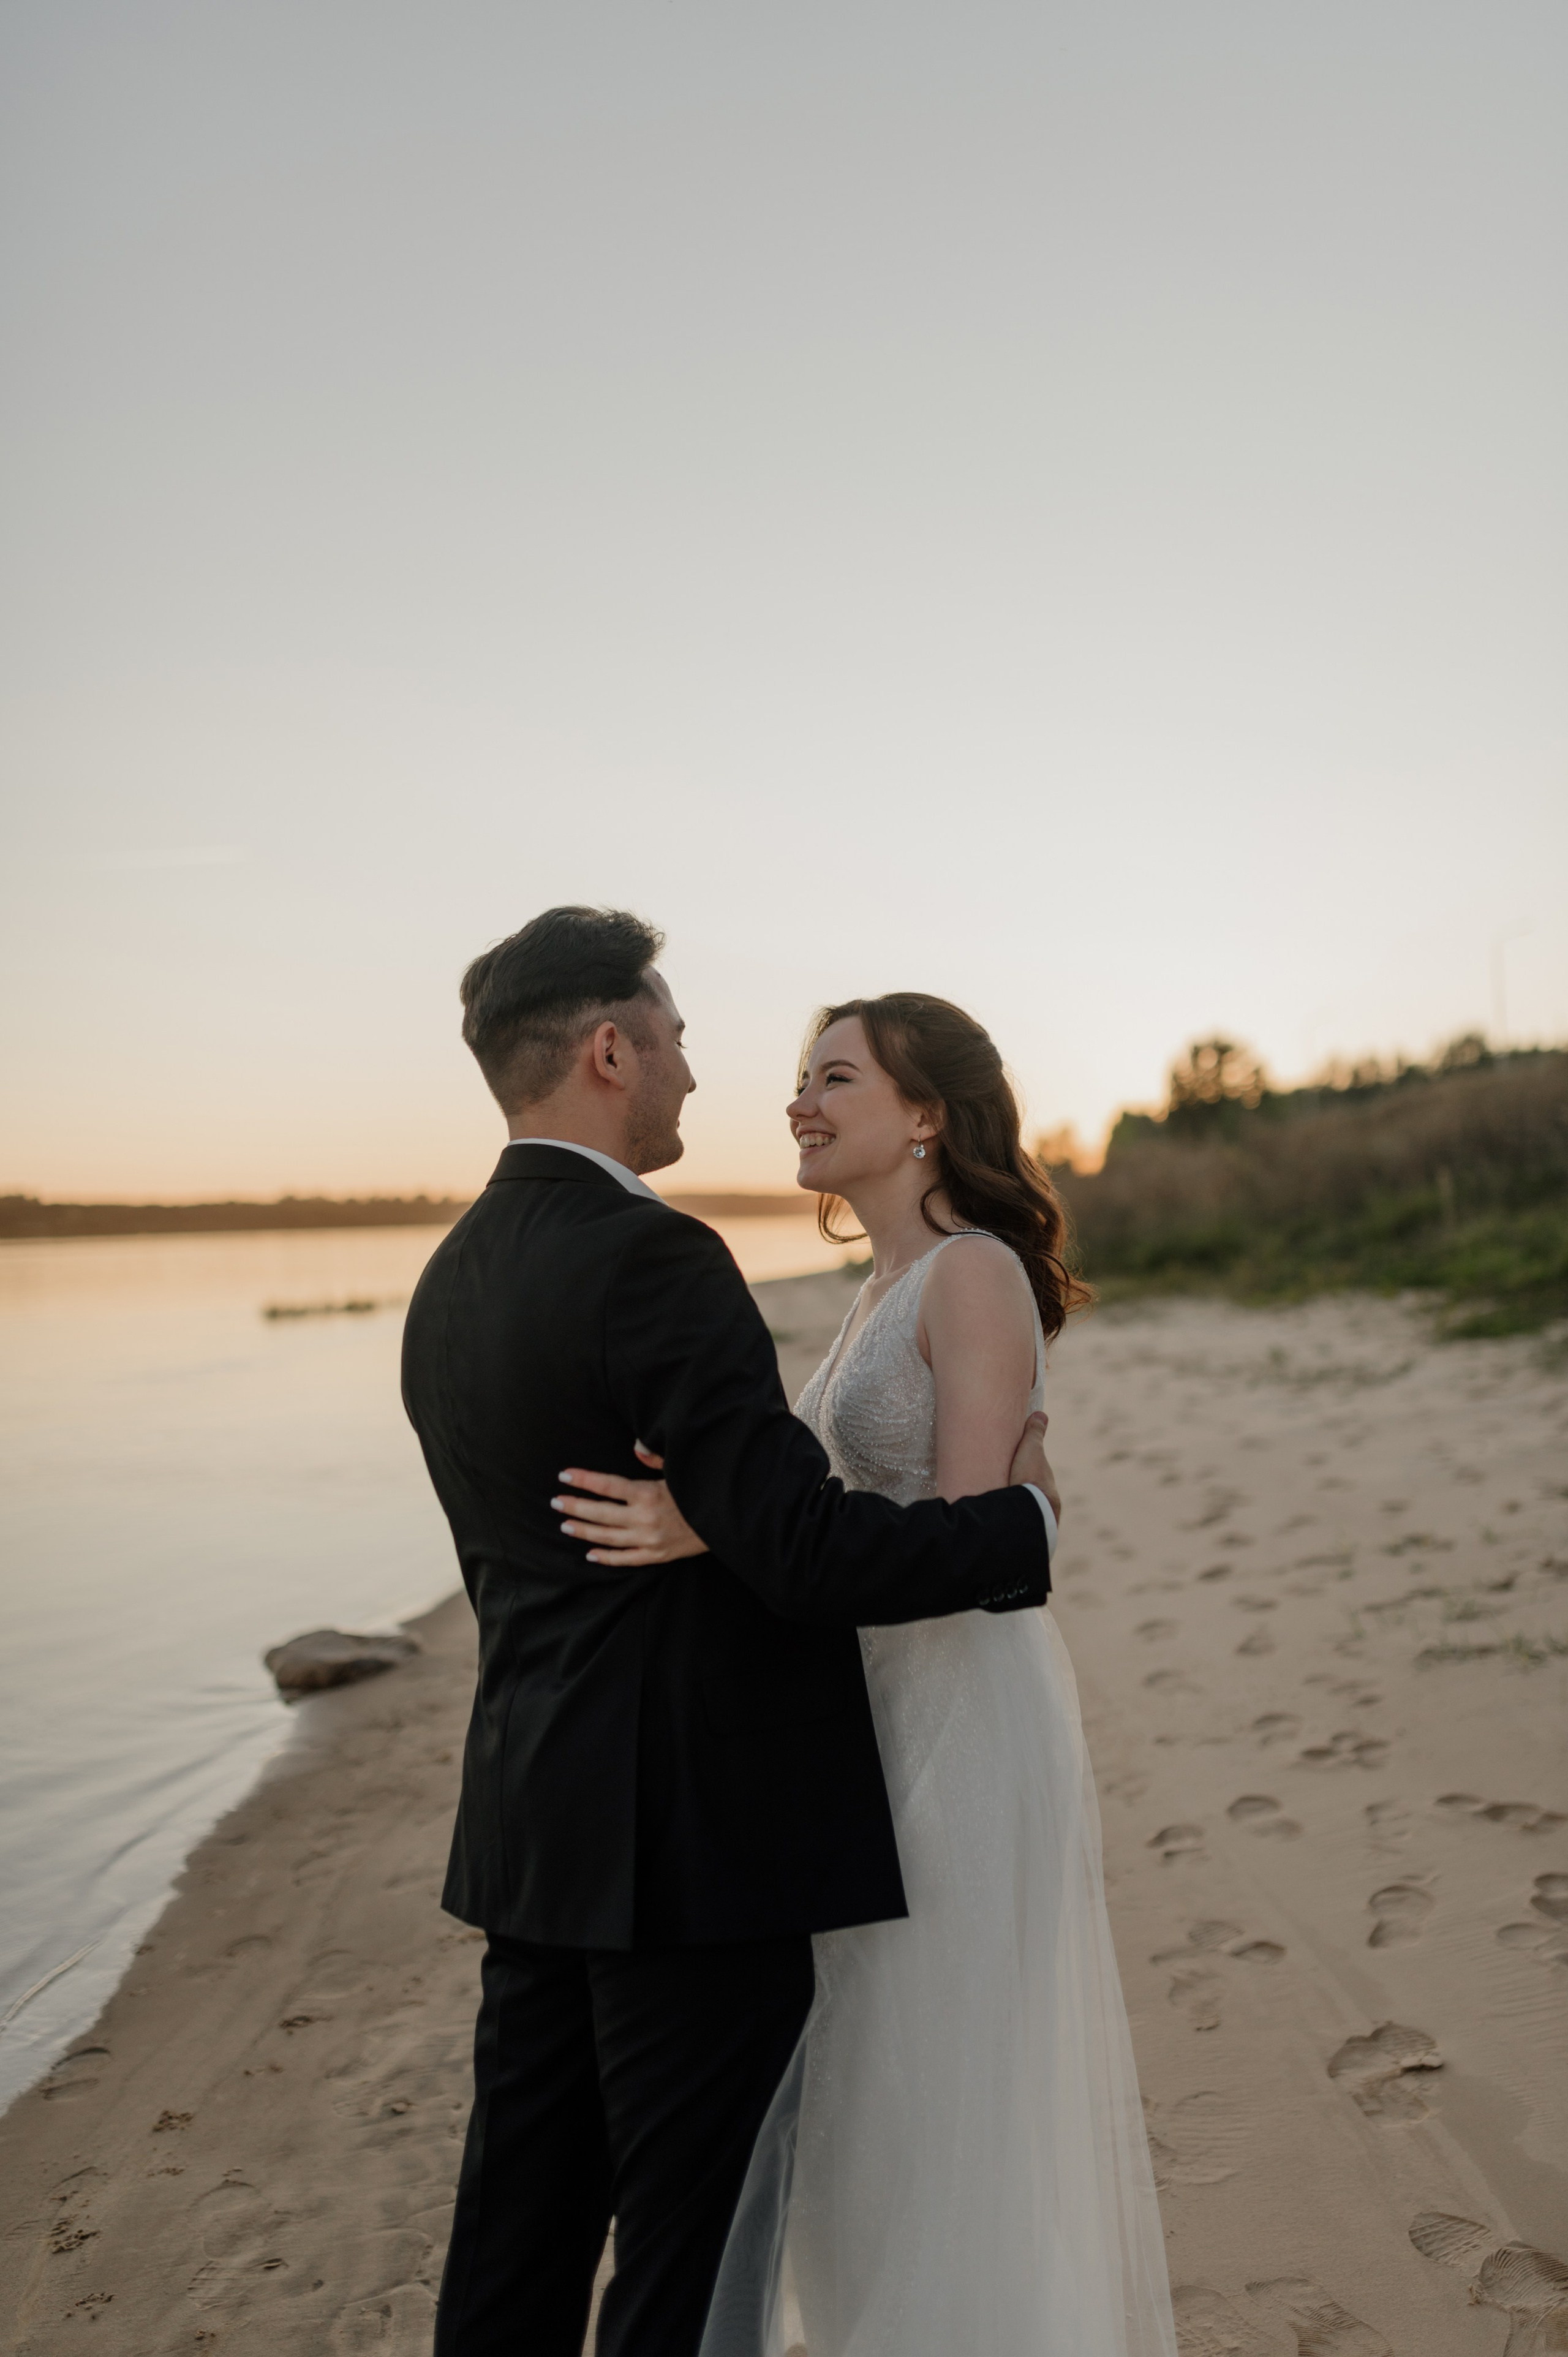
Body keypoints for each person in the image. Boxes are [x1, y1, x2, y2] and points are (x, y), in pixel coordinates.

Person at [400, 910, 1061, 2357]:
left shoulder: (447, 1283)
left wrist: (721, 1517)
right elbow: (800, 1544)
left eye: (832, 1075)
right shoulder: (655, 1256)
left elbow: (686, 1531)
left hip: (531, 1831)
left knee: (514, 2244)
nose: (699, 1072)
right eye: (679, 1038)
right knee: (688, 2264)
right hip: (690, 1847)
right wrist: (1022, 1528)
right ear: (609, 1049)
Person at [570, 992, 1177, 2357]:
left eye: (834, 1077)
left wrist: (719, 1527)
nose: (799, 1100)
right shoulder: (879, 1288)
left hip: (956, 1719)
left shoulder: (971, 1273)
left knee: (928, 2083)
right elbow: (827, 1513)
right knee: (859, 2088)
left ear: (925, 1116)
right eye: (802, 1076)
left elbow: (957, 1549)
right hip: (866, 1719)